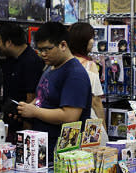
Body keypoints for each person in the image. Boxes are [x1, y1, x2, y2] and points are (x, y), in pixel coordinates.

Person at [17, 22, 92, 156]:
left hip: (60, 153)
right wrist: (25, 109)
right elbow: (43, 97)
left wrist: (34, 112)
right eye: (40, 50)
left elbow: (70, 116)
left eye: (47, 49)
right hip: (42, 148)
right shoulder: (51, 67)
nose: (42, 54)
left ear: (63, 45)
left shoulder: (75, 74)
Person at [0, 24, 45, 138]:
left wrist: (26, 130)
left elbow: (31, 96)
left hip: (22, 126)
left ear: (8, 42)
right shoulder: (10, 59)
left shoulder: (31, 62)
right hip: (9, 122)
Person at [68, 22, 105, 124]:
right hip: (88, 121)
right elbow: (96, 101)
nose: (93, 41)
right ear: (83, 41)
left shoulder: (64, 62)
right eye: (91, 38)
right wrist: (103, 125)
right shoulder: (90, 66)